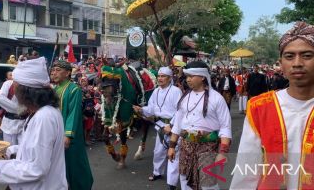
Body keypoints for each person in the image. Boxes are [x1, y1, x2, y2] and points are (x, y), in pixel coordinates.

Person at [230, 22, 314, 189]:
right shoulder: (260, 107)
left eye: (307, 55)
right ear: (281, 63)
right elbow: (247, 169)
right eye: (289, 56)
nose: (297, 63)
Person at [0, 57, 67, 190]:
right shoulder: (37, 112)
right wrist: (7, 152)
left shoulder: (44, 117)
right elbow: (31, 148)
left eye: (15, 85)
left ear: (25, 91)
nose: (13, 91)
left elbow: (38, 169)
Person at [168, 61, 232, 190]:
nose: (188, 80)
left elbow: (225, 127)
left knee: (209, 183)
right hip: (186, 147)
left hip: (208, 148)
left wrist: (223, 152)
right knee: (185, 181)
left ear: (203, 77)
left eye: (191, 76)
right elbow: (178, 124)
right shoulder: (184, 97)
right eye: (187, 77)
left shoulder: (217, 98)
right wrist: (172, 146)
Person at [133, 67, 182, 190]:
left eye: (163, 76)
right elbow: (151, 108)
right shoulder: (156, 91)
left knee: (173, 154)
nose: (160, 78)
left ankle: (171, 183)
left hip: (172, 127)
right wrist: (141, 109)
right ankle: (157, 172)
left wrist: (171, 125)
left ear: (170, 78)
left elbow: (180, 111)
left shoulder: (176, 91)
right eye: (159, 76)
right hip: (159, 125)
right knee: (158, 152)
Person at [52, 60, 93, 190]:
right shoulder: (54, 89)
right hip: (55, 134)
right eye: (53, 70)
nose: (54, 72)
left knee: (74, 164)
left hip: (70, 136)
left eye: (58, 70)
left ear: (68, 73)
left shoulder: (73, 89)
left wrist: (68, 135)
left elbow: (74, 113)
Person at [0, 73, 25, 146]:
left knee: (24, 150)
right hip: (10, 123)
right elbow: (0, 98)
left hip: (25, 123)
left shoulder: (30, 86)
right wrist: (20, 109)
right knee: (10, 150)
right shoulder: (8, 84)